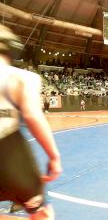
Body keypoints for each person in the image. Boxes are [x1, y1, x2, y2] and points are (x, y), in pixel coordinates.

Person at [0, 24, 62, 220]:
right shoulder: (21, 78)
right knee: (42, 213)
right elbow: (33, 116)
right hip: (7, 150)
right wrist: (54, 156)